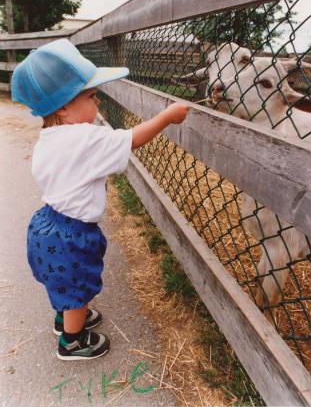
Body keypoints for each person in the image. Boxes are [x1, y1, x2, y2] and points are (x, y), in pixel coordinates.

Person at [11, 38, 189, 361]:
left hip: (46, 224)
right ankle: (72, 341)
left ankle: (65, 319)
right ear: (64, 108)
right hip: (71, 234)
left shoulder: (48, 139)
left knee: (63, 280)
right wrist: (167, 117)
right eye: (92, 97)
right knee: (77, 285)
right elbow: (132, 139)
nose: (98, 104)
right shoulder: (85, 139)